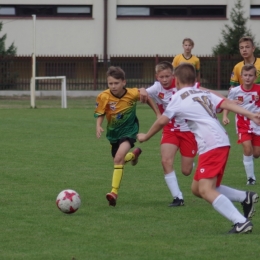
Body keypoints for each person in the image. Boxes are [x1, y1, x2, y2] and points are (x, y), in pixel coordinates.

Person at [137, 63, 259, 234]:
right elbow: (226, 103)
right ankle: (244, 197)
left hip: (212, 144)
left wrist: (146, 136)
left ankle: (240, 221)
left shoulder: (178, 96)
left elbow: (163, 120)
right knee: (196, 189)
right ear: (195, 80)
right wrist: (251, 114)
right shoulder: (203, 92)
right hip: (219, 141)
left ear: (176, 80)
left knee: (205, 189)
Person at [94, 66, 160, 207]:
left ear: (124, 82)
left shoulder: (132, 93)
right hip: (113, 134)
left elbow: (145, 96)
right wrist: (98, 125)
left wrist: (157, 113)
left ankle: (114, 192)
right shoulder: (104, 96)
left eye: (116, 83)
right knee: (120, 160)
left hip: (129, 132)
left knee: (118, 159)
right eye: (110, 83)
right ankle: (134, 156)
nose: (113, 86)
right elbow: (100, 112)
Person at [139, 61, 197, 207]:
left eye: (167, 76)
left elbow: (201, 91)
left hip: (188, 130)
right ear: (156, 77)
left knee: (186, 171)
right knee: (166, 161)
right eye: (161, 77)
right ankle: (178, 197)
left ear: (174, 76)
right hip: (170, 129)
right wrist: (142, 90)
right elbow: (142, 93)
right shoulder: (157, 87)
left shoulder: (182, 86)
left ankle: (192, 163)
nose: (164, 80)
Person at [223, 64, 260, 185]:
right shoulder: (235, 91)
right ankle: (251, 178)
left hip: (257, 123)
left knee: (256, 153)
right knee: (247, 147)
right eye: (245, 75)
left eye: (250, 75)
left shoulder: (258, 89)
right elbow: (227, 103)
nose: (248, 77)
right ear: (241, 77)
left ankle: (251, 165)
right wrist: (225, 116)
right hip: (242, 123)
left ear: (255, 77)